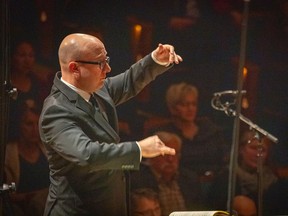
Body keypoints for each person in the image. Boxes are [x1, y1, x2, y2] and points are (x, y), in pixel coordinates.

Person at [38, 33, 182, 216]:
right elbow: (87, 154)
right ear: (74, 68)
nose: (108, 68)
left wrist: (155, 60)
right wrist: (138, 149)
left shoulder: (95, 89)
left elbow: (128, 82)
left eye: (106, 60)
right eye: (100, 64)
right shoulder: (56, 111)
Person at [147, 82, 229, 204]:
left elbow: (224, 158)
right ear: (172, 108)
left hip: (215, 184)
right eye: (184, 104)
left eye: (193, 104)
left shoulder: (209, 129)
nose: (190, 109)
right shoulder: (164, 135)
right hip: (183, 185)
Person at [130, 131, 201, 216]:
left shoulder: (190, 178)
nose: (170, 159)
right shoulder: (137, 181)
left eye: (174, 153)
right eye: (164, 154)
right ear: (151, 155)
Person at [206, 129, 278, 211]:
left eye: (262, 150)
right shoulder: (226, 178)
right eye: (253, 148)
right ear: (241, 149)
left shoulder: (273, 181)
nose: (258, 154)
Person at [5, 98, 49, 216]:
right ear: (19, 124)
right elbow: (7, 196)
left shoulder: (46, 149)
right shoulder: (8, 155)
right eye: (29, 124)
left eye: (37, 124)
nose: (35, 129)